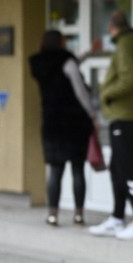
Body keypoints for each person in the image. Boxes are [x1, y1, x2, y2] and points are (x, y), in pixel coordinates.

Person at [88, 10, 133, 240]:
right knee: (117, 168)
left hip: (126, 116)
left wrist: (106, 93)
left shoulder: (125, 45)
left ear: (111, 27)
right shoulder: (131, 43)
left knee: (126, 168)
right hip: (126, 115)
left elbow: (129, 79)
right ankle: (117, 218)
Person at [29, 30, 95, 227]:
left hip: (51, 122)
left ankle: (52, 214)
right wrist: (92, 114)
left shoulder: (39, 63)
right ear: (60, 42)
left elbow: (68, 64)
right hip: (74, 122)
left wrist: (89, 53)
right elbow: (80, 91)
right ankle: (78, 214)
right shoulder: (67, 61)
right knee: (77, 169)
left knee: (55, 171)